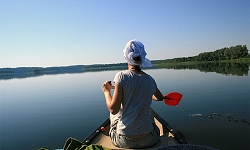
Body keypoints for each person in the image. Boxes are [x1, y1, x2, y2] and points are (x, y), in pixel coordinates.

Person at [101, 39, 164, 149]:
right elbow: (159, 98)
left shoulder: (121, 76)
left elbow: (113, 109)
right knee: (149, 113)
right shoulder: (150, 80)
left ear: (127, 57)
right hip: (149, 140)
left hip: (124, 140)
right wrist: (146, 94)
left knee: (116, 114)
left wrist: (107, 92)